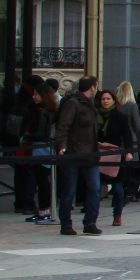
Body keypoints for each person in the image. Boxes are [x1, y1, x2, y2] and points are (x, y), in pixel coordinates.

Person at [53, 75, 102, 235]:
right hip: (74, 153)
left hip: (90, 153)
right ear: (92, 87)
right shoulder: (73, 104)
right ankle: (66, 223)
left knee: (95, 188)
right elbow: (63, 126)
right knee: (69, 190)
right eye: (96, 85)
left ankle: (90, 222)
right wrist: (62, 146)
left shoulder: (90, 105)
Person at [94, 89, 134, 226]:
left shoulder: (120, 116)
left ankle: (117, 215)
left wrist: (128, 151)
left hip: (116, 155)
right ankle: (93, 216)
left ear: (113, 100)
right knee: (96, 187)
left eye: (108, 99)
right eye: (103, 99)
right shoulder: (95, 116)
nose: (105, 101)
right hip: (99, 155)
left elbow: (127, 135)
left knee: (117, 188)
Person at [22, 84, 59, 224]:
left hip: (40, 148)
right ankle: (45, 210)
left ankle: (43, 211)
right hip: (46, 148)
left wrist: (25, 137)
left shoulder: (42, 111)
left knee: (42, 180)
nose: (33, 97)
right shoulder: (50, 110)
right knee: (44, 180)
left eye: (36, 94)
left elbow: (40, 134)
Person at [7, 75, 42, 215]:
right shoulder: (33, 103)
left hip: (16, 139)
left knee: (20, 173)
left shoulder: (16, 98)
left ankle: (20, 202)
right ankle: (27, 203)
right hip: (27, 141)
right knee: (29, 173)